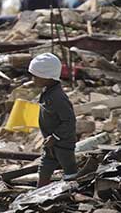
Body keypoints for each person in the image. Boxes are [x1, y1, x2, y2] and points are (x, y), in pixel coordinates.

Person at [29, 53, 77, 188]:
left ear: (46, 77)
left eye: (35, 76)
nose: (33, 79)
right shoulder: (48, 92)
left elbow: (69, 121)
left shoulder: (58, 98)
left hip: (62, 142)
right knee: (45, 168)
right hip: (51, 142)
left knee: (69, 170)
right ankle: (38, 193)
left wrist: (55, 137)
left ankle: (73, 192)